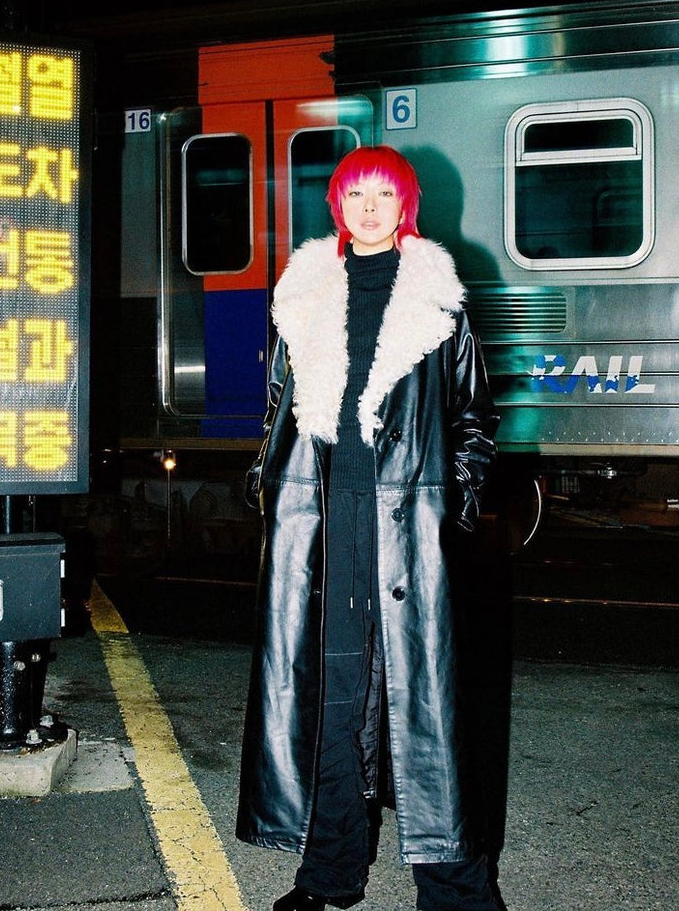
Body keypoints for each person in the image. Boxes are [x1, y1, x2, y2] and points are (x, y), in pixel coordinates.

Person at [236, 145, 503, 911]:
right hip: (323, 528)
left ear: (406, 205)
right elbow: (278, 407)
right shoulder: (304, 294)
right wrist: (268, 484)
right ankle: (328, 874)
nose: (370, 207)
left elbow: (475, 419)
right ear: (338, 206)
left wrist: (450, 508)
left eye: (386, 194)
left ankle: (456, 894)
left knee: (425, 716)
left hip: (409, 536)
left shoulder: (439, 303)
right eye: (356, 194)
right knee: (332, 701)